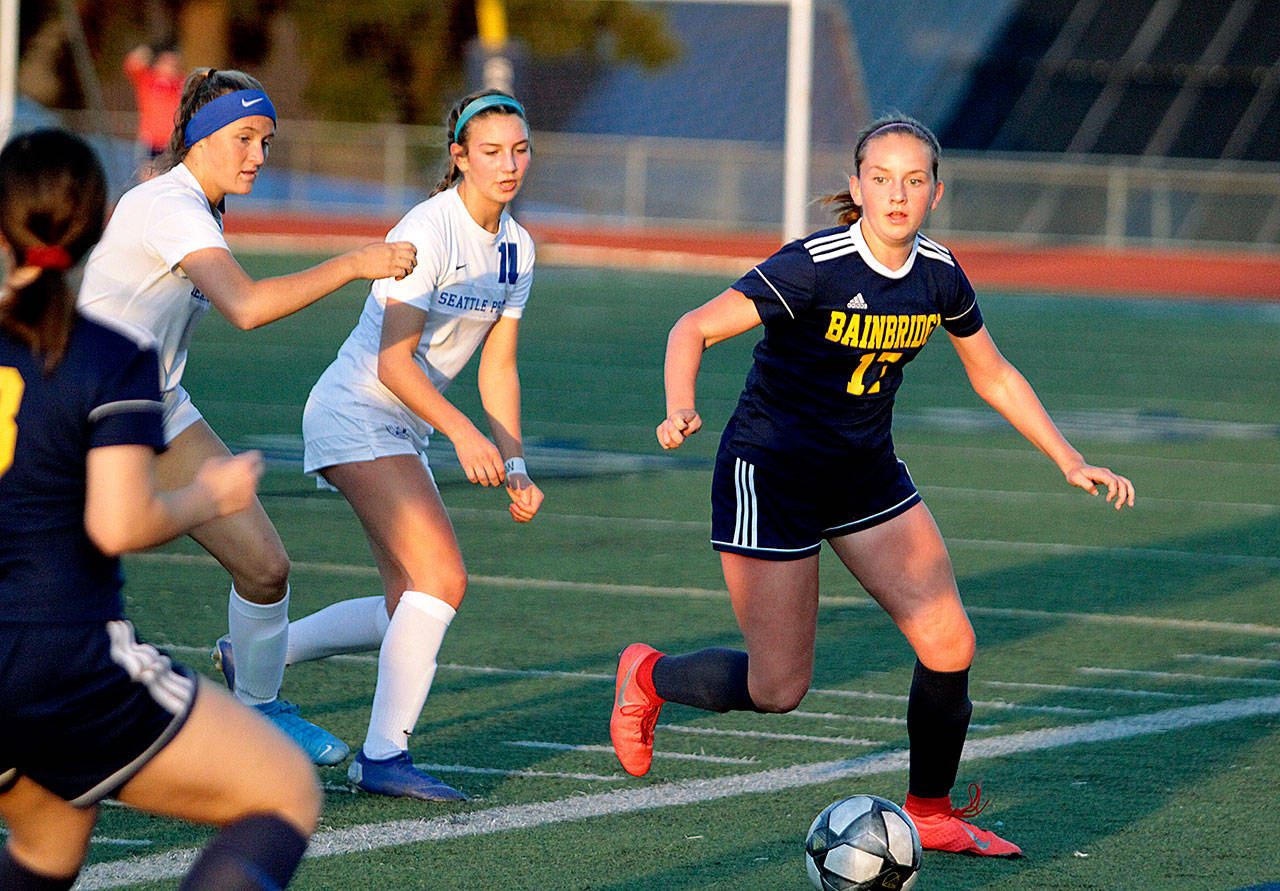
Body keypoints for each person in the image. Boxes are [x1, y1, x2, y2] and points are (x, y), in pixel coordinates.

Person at [610, 114, 1135, 857]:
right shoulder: (815, 265)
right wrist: (679, 403)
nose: (897, 194)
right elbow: (690, 327)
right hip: (773, 473)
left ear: (935, 191)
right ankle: (649, 674)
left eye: (913, 180)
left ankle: (929, 810)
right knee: (778, 688)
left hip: (863, 474)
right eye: (882, 179)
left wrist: (1068, 457)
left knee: (950, 641)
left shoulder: (940, 272)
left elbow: (992, 372)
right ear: (857, 188)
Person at [0, 128, 321, 891]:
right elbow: (119, 524)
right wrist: (209, 494)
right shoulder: (110, 355)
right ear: (98, 221)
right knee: (287, 789)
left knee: (48, 844)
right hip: (61, 657)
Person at [78, 67, 418, 767]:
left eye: (265, 140)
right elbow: (248, 306)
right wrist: (358, 261)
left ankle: (259, 713)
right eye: (244, 137)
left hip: (159, 408)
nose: (258, 155)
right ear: (200, 139)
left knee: (265, 568)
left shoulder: (199, 205)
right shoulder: (170, 205)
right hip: (82, 416)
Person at [218, 89, 543, 801]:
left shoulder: (518, 248)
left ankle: (252, 657)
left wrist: (513, 457)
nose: (508, 164)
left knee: (409, 605)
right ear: (458, 156)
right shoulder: (429, 229)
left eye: (519, 149)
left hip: (402, 422)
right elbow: (394, 364)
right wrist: (462, 433)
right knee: (443, 578)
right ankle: (383, 756)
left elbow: (498, 366)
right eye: (490, 151)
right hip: (356, 410)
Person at [122, 41, 184, 178]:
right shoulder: (148, 79)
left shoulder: (181, 83)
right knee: (148, 176)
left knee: (170, 178)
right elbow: (132, 63)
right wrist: (150, 47)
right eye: (167, 61)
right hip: (152, 139)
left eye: (174, 63)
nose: (171, 66)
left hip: (172, 141)